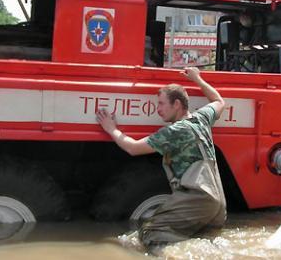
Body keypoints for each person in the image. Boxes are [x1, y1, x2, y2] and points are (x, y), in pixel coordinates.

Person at [96, 67, 227, 252]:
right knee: (204, 241)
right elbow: (218, 101)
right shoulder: (202, 118)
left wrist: (111, 128)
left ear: (177, 104)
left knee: (150, 232)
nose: (158, 110)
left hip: (198, 199)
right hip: (218, 204)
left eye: (161, 104)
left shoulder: (174, 132)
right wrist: (197, 79)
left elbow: (132, 148)